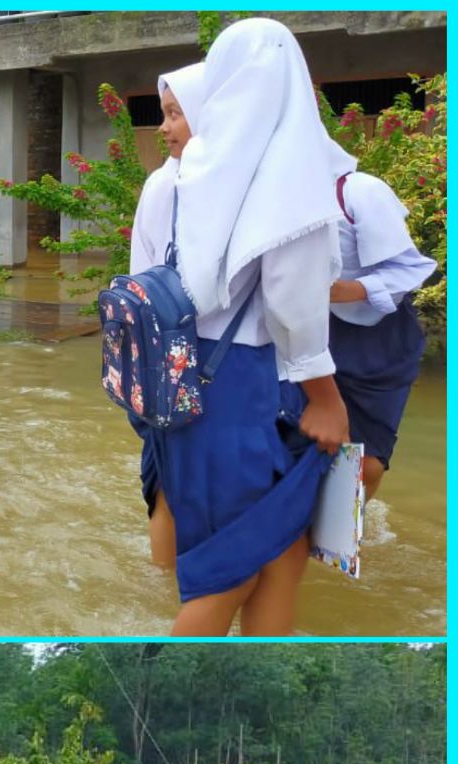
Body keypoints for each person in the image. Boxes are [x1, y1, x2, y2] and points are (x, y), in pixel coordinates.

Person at [136, 18, 351, 636]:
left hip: (187, 380)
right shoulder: (285, 171)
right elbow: (291, 300)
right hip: (248, 389)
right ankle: (170, 685)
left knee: (277, 553)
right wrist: (327, 399)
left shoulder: (188, 173)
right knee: (231, 574)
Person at [280, 156, 436, 503]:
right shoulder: (269, 197)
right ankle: (299, 518)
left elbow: (409, 270)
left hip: (378, 339)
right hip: (305, 328)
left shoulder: (360, 192)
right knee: (301, 439)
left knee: (369, 462)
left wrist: (342, 291)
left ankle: (349, 518)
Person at [130, 62, 206, 569]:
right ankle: (167, 586)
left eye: (175, 114)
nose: (163, 128)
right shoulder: (166, 185)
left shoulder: (218, 184)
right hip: (175, 356)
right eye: (166, 114)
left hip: (204, 357)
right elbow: (147, 276)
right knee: (168, 481)